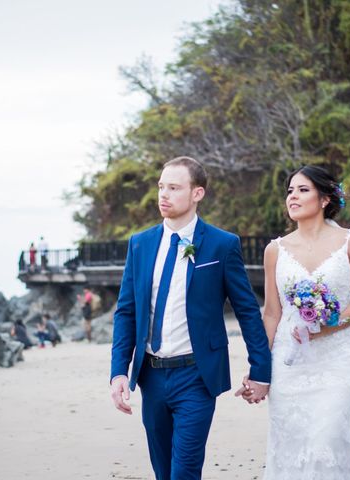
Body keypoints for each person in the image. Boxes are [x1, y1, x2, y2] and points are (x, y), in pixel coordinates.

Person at [110, 156, 272, 479]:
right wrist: (118, 372)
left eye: (173, 187)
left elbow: (247, 312)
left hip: (197, 376)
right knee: (163, 472)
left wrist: (260, 371)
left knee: (184, 472)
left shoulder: (222, 246)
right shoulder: (140, 244)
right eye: (160, 187)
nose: (163, 195)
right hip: (151, 377)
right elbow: (126, 311)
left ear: (197, 193)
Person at [254, 165, 350, 479]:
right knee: (291, 445)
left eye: (303, 190)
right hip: (289, 363)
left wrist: (327, 326)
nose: (293, 196)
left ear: (324, 199)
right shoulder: (275, 250)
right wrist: (258, 367)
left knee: (328, 439)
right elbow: (271, 313)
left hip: (338, 360)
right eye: (290, 191)